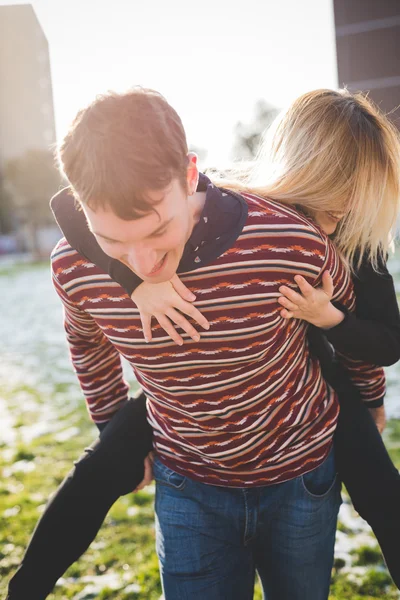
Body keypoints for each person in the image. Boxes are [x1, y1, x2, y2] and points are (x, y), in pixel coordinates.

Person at [7, 88, 397, 600]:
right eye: (328, 203)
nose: (144, 260)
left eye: (350, 208)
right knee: (104, 461)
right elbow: (76, 226)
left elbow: (375, 343)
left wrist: (364, 387)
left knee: (380, 489)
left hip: (304, 427)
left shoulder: (318, 243)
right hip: (188, 441)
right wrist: (133, 280)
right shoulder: (100, 256)